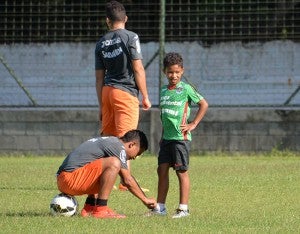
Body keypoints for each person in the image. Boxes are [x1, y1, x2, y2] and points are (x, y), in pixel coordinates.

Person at [95, 0, 151, 191]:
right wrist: (145, 95)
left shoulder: (101, 42)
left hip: (107, 93)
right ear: (125, 19)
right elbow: (138, 67)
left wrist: (101, 106)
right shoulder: (131, 37)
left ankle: (102, 177)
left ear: (107, 21)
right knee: (127, 140)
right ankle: (126, 183)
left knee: (108, 139)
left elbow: (98, 78)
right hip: (125, 93)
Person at [147, 52, 208, 218]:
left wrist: (193, 124)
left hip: (180, 139)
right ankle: (160, 208)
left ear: (182, 71)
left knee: (181, 172)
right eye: (170, 72)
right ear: (164, 72)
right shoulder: (164, 90)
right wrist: (162, 135)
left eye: (177, 72)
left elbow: (203, 104)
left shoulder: (186, 89)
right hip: (166, 139)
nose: (173, 75)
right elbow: (165, 115)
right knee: (162, 170)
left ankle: (183, 209)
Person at [56, 130, 156, 219]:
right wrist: (145, 199)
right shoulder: (118, 147)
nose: (134, 158)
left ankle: (90, 207)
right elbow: (127, 180)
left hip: (65, 179)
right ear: (132, 145)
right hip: (69, 179)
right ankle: (101, 210)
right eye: (137, 154)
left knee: (102, 165)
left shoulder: (111, 142)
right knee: (114, 163)